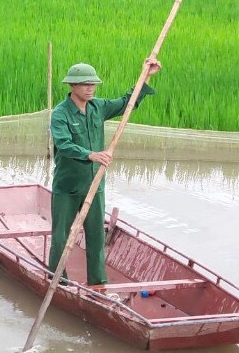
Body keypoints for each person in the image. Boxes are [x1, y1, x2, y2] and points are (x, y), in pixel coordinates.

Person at [48, 58, 161, 287]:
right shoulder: (60, 114)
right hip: (67, 187)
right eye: (85, 84)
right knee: (61, 236)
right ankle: (57, 279)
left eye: (93, 84)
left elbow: (126, 103)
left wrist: (145, 75)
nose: (90, 88)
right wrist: (90, 154)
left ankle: (98, 283)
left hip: (95, 185)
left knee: (97, 237)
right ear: (72, 86)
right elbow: (64, 144)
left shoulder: (98, 107)